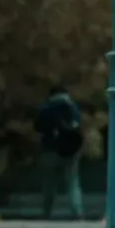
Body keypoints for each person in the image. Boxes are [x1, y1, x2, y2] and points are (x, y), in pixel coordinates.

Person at [34, 86, 84, 219]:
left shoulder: (45, 109)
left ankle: (47, 212)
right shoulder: (72, 108)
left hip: (49, 150)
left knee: (49, 184)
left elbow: (37, 127)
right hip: (71, 151)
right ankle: (77, 212)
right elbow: (78, 125)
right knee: (72, 183)